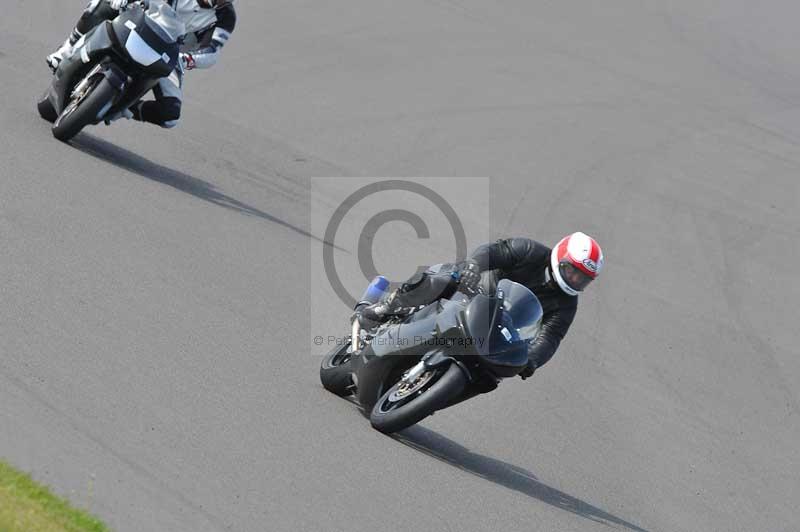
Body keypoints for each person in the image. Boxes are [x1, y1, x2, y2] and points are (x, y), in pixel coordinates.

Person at [355, 232, 604, 380]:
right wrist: (474, 265)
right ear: (561, 258)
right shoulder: (530, 251)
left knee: (495, 372)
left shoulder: (567, 304)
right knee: (446, 276)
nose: (575, 279)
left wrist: (533, 360)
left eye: (582, 278)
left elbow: (551, 337)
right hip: (475, 294)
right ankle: (385, 308)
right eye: (572, 271)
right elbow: (494, 251)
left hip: (499, 331)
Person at [45, 0, 236, 128]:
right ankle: (67, 48)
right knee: (106, 2)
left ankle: (124, 108)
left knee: (170, 115)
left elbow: (211, 51)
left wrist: (187, 60)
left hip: (169, 57)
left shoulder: (225, 17)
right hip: (138, 22)